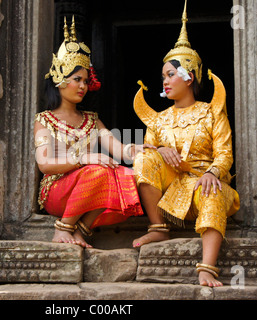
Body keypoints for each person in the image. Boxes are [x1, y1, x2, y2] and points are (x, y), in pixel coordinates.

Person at [131, 0, 240, 287]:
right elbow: (146, 155)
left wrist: (211, 173)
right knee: (144, 158)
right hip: (169, 195)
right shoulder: (159, 119)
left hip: (203, 187)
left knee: (212, 191)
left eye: (170, 75)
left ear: (188, 77)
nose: (164, 82)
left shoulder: (211, 111)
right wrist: (159, 150)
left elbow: (225, 154)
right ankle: (158, 227)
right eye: (163, 76)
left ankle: (207, 267)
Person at [35, 17, 153, 248]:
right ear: (59, 80)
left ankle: (80, 229)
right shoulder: (44, 120)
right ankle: (63, 228)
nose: (83, 86)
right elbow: (44, 164)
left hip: (90, 186)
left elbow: (118, 150)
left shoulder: (92, 119)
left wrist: (136, 149)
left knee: (126, 175)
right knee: (99, 170)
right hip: (57, 191)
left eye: (86, 81)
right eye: (77, 79)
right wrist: (83, 159)